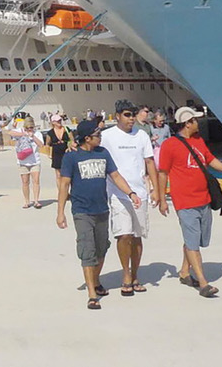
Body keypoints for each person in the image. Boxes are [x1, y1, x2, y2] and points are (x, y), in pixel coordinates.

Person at [56, 120, 142, 310]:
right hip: (82, 211)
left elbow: (116, 176)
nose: (100, 137)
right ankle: (92, 294)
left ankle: (94, 281)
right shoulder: (71, 157)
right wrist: (60, 212)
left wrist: (131, 193)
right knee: (87, 250)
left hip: (102, 209)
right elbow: (64, 184)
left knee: (101, 249)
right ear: (87, 138)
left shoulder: (103, 153)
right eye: (97, 135)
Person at [157, 106, 222, 299]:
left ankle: (185, 272)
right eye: (195, 120)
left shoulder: (198, 141)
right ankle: (203, 282)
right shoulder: (169, 145)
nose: (198, 123)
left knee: (198, 240)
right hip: (184, 201)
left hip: (204, 198)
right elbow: (163, 173)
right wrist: (162, 199)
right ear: (187, 123)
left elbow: (210, 159)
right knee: (193, 242)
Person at [105, 100, 162, 296]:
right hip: (117, 194)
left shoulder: (142, 136)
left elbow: (149, 162)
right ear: (118, 115)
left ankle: (136, 274)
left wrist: (155, 189)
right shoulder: (107, 136)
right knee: (124, 235)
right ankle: (126, 274)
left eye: (132, 115)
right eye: (127, 115)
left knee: (137, 236)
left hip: (141, 192)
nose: (131, 119)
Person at [6, 116, 45, 208]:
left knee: (36, 181)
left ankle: (36, 201)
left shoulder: (37, 133)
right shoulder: (21, 131)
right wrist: (22, 134)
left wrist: (33, 136)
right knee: (25, 182)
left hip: (35, 160)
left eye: (31, 127)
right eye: (27, 128)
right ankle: (27, 201)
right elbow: (9, 132)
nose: (29, 129)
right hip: (23, 161)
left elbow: (41, 145)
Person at [42, 115, 73, 193]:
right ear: (53, 122)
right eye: (57, 121)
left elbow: (72, 140)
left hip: (66, 153)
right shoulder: (50, 133)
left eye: (60, 120)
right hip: (56, 154)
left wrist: (70, 147)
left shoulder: (66, 129)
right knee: (58, 175)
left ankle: (69, 191)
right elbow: (47, 144)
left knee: (68, 174)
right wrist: (48, 154)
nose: (59, 122)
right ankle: (62, 192)